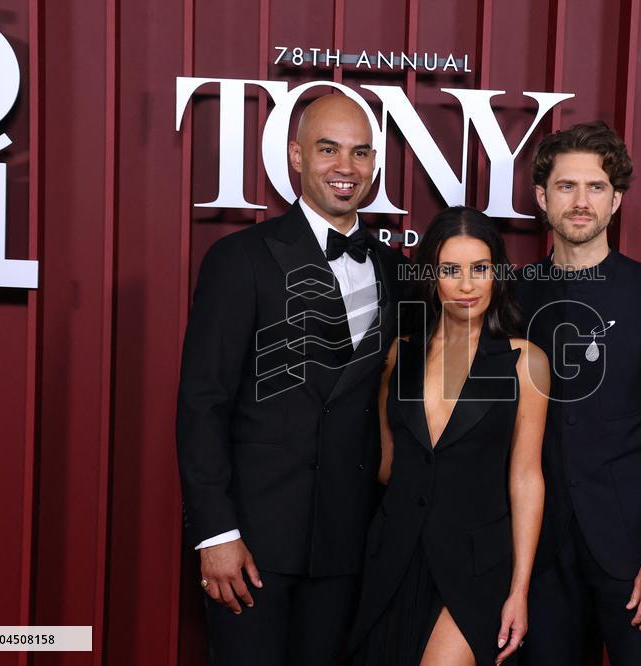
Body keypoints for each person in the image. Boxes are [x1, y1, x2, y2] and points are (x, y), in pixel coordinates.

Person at [176, 93, 409, 665]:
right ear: (296, 157)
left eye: (359, 152)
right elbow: (202, 403)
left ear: (374, 163)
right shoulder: (239, 259)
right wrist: (216, 534)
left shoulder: (394, 270)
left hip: (347, 542)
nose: (345, 167)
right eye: (328, 149)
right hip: (251, 543)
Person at [515, 121, 641, 666]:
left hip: (634, 555)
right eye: (566, 186)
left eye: (596, 187)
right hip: (538, 556)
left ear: (616, 199)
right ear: (541, 198)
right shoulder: (512, 294)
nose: (580, 201)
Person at [347, 206, 550, 666]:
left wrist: (519, 591)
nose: (465, 285)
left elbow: (526, 479)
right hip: (394, 557)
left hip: (477, 567)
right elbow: (387, 464)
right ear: (431, 276)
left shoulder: (525, 362)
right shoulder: (401, 355)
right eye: (450, 270)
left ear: (496, 273)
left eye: (479, 269)